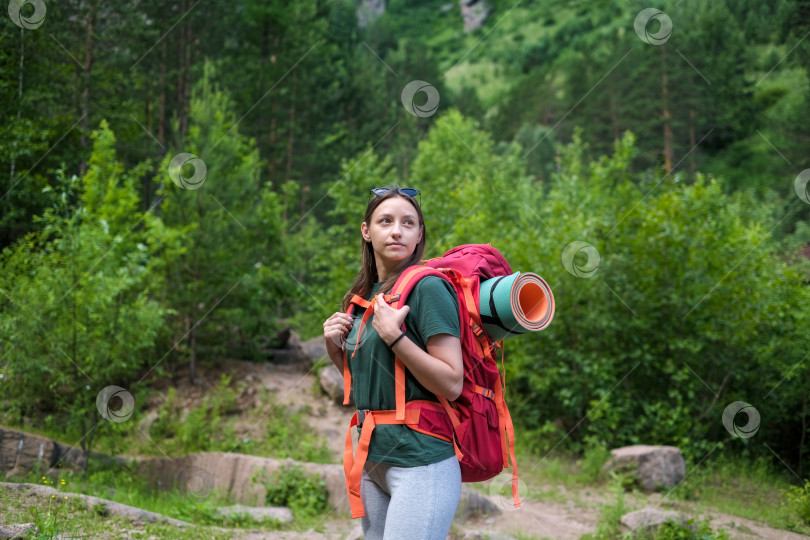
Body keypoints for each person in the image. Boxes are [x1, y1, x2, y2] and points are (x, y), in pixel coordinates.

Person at [323, 186, 464, 539]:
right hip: (372, 460)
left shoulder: (428, 289)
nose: (397, 230)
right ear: (366, 231)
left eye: (408, 223)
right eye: (385, 221)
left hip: (421, 461)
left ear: (419, 236)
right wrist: (334, 348)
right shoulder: (365, 296)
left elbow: (451, 382)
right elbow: (370, 382)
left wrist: (395, 337)